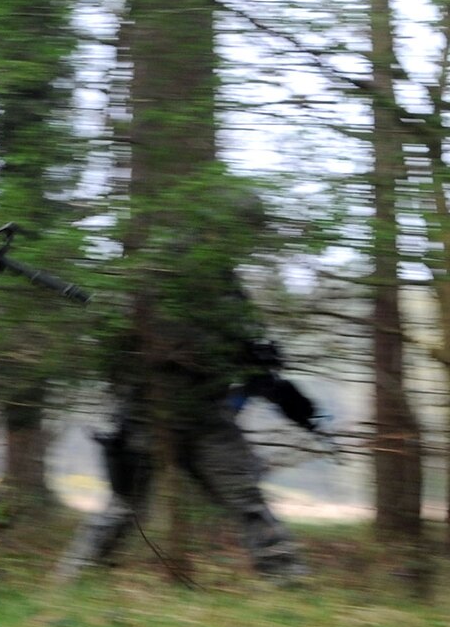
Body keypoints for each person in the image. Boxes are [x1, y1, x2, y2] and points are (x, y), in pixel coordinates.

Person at [58, 234, 315, 583]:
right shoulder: (150, 279)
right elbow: (113, 348)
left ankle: (288, 581)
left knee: (247, 501)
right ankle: (76, 582)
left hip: (208, 418)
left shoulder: (228, 286)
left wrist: (266, 374)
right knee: (123, 508)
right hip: (146, 415)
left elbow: (250, 352)